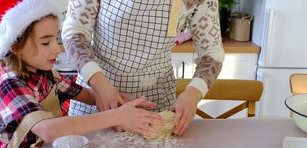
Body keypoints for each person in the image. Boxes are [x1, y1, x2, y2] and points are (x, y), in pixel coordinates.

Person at [0, 0, 163, 148]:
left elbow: (87, 95)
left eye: (55, 38)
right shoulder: (9, 82)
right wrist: (117, 116)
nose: (57, 49)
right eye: (46, 42)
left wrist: (118, 101)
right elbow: (48, 130)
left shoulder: (44, 72)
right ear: (15, 45)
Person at [62, 0, 225, 136]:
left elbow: (212, 52)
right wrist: (99, 85)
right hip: (97, 98)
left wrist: (194, 93)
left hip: (156, 105)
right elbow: (74, 32)